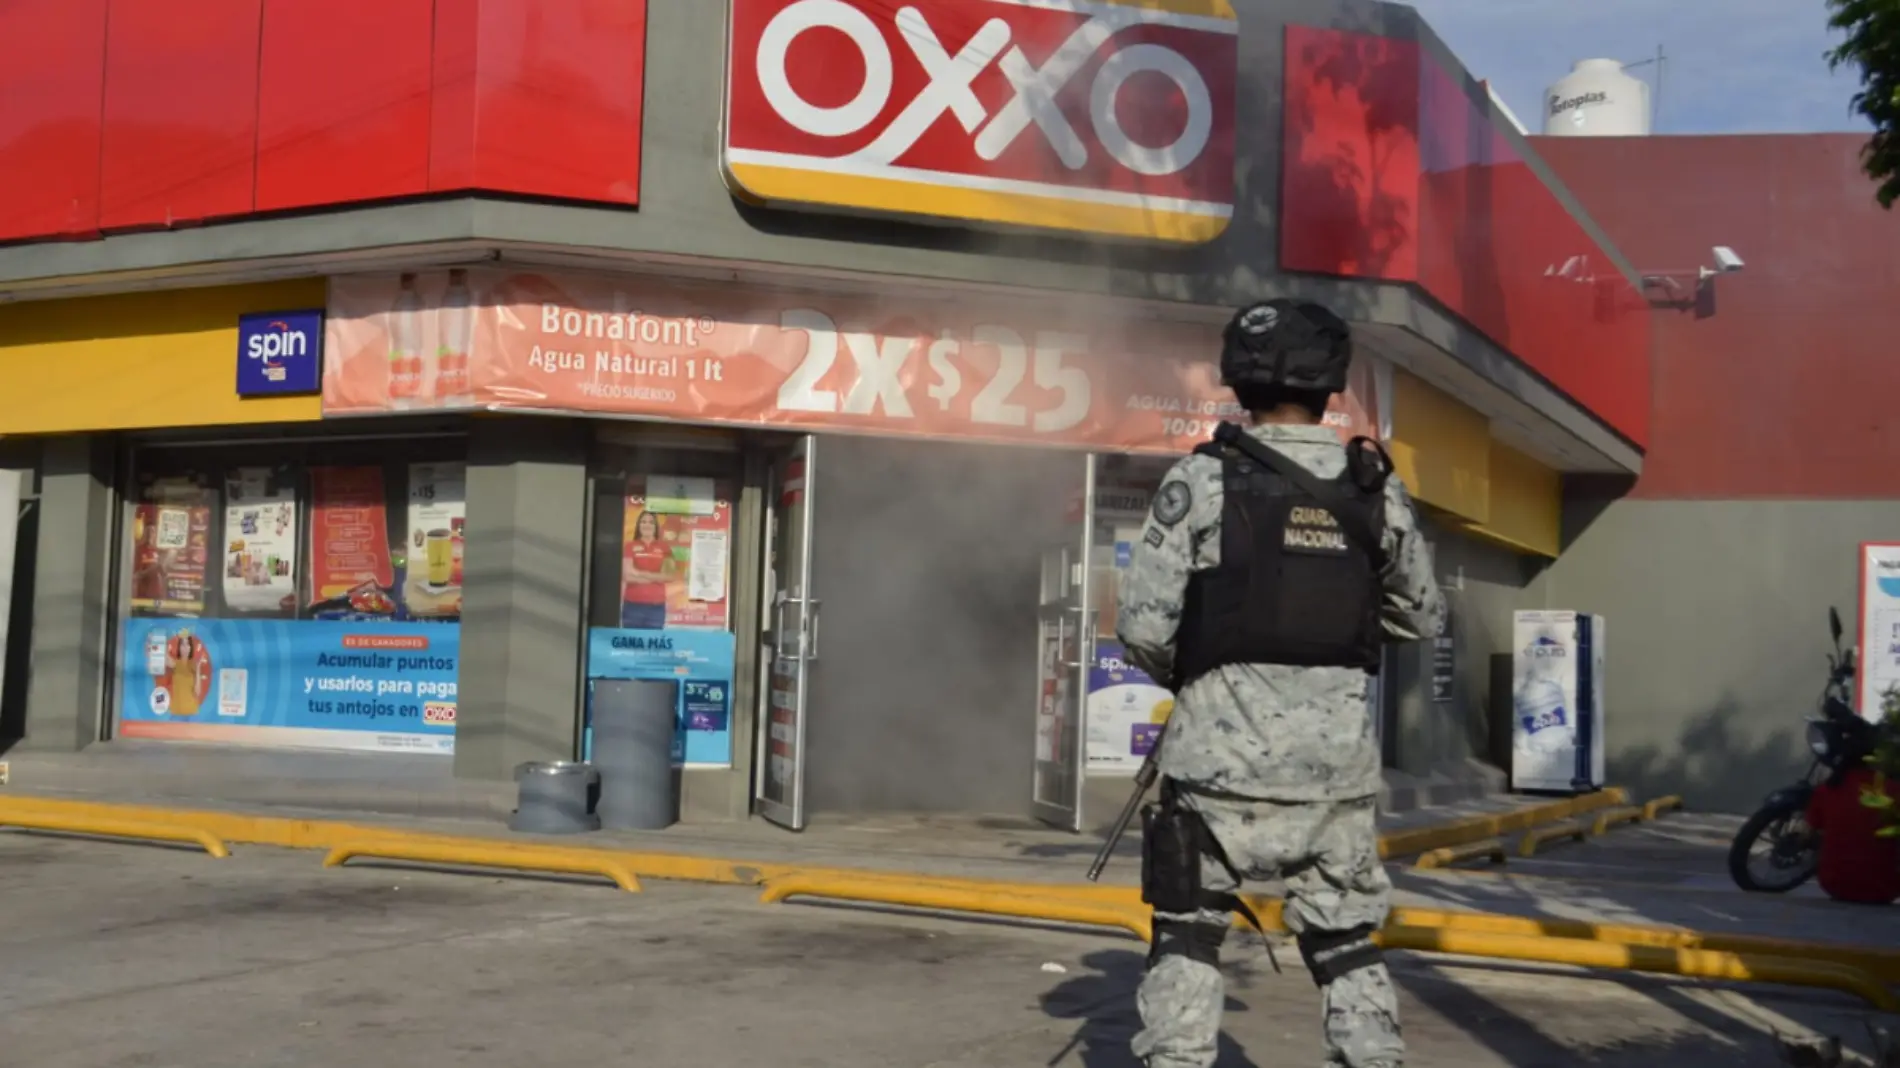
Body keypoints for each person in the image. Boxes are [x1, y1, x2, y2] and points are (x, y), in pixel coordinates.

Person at [1117, 299, 1446, 1068]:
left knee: (1187, 934)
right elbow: (1421, 614)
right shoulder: (1373, 487)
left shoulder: (1203, 479)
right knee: (1346, 942)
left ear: (1237, 381)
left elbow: (1143, 627)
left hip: (1214, 772)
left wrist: (1207, 676)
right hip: (1335, 772)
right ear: (1332, 385)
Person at [1805, 764, 1900, 906]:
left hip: (1834, 884)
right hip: (1884, 888)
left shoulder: (1827, 789)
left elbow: (1809, 832)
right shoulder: (1893, 789)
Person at [621, 509, 672, 629]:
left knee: (653, 640)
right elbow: (627, 576)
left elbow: (669, 576)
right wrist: (656, 577)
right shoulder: (629, 546)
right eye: (643, 522)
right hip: (632, 606)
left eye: (651, 522)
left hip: (656, 608)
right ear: (638, 525)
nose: (647, 525)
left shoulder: (665, 548)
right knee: (631, 640)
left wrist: (639, 573)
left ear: (656, 526)